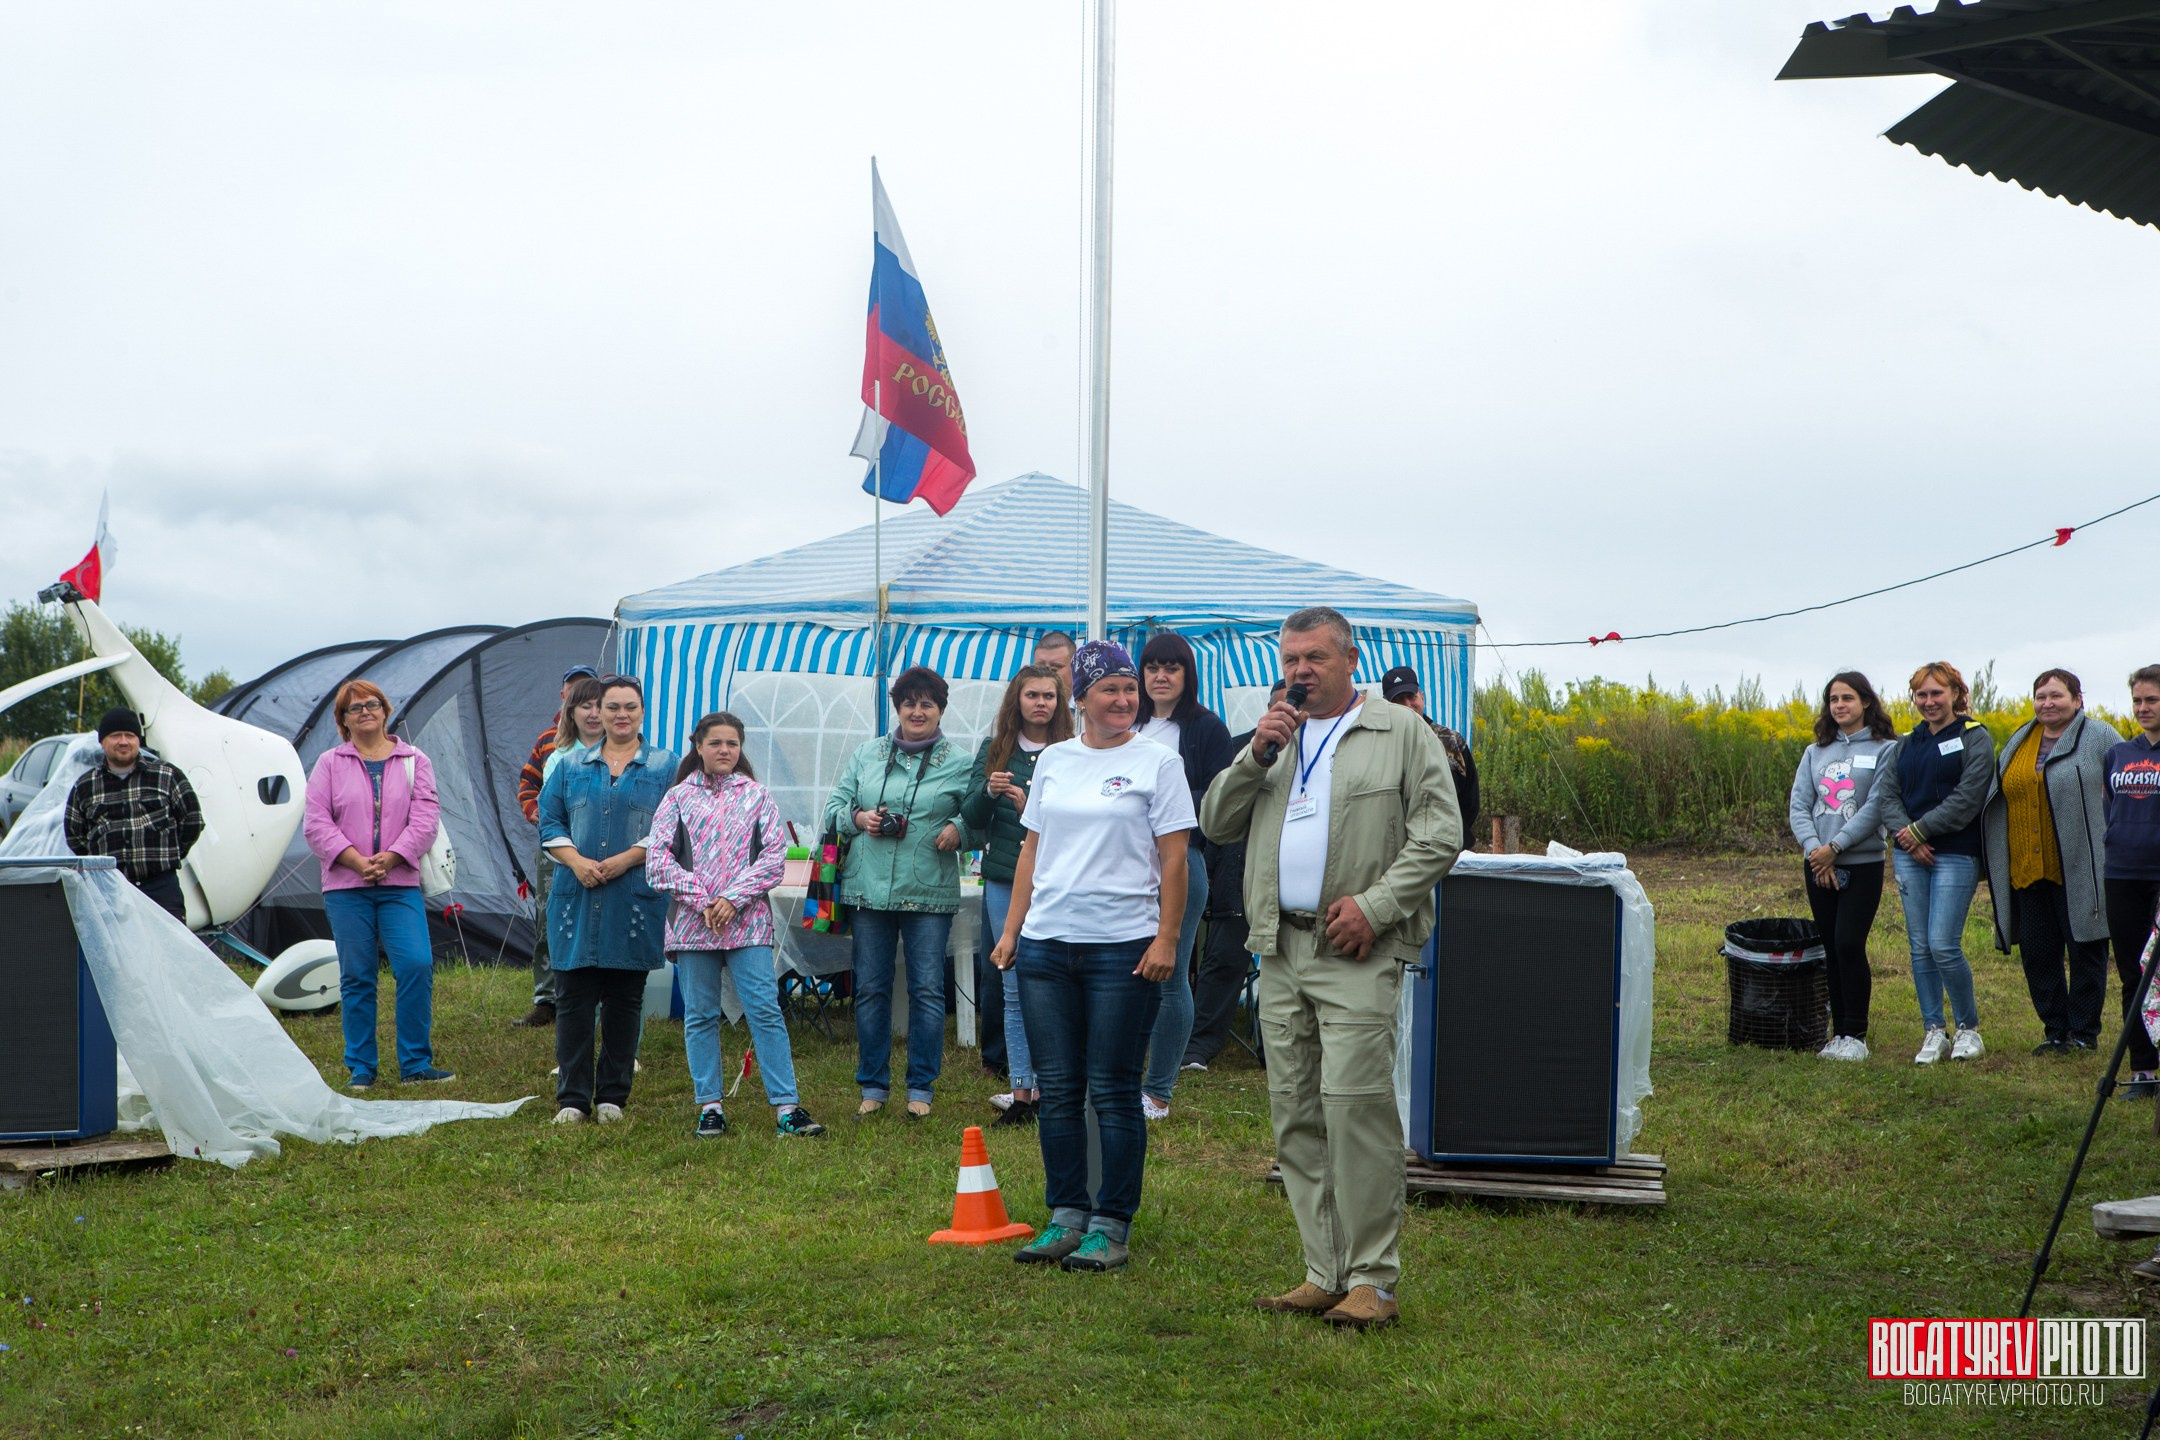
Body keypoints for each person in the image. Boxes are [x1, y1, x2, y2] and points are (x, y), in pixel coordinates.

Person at [1200, 606, 1463, 1330]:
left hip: (1356, 949)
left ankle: (1374, 1279)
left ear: (1352, 661)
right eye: (1290, 660)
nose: (1299, 673)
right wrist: (1255, 755)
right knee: (1296, 1116)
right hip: (1280, 949)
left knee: (1356, 1112)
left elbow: (1441, 834)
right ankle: (1325, 1272)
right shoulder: (1272, 738)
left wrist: (1377, 907)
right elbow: (1215, 823)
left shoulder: (1401, 732)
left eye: (1314, 658)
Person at [990, 640, 1192, 1274]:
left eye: (1130, 689)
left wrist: (1166, 937)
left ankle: (1111, 1224)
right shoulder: (1054, 759)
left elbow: (1175, 858)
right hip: (1048, 946)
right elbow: (1031, 850)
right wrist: (1012, 931)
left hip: (1123, 949)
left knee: (1111, 1089)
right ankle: (1065, 1216)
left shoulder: (1158, 762)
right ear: (1080, 697)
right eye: (1110, 689)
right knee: (1057, 1089)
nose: (1125, 699)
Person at [646, 712, 824, 1138]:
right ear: (698, 747)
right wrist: (705, 899)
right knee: (701, 1015)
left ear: (740, 749)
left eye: (732, 743)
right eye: (715, 743)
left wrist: (732, 898)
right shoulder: (676, 799)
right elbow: (657, 862)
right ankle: (710, 1106)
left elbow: (774, 858)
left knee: (764, 1011)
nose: (724, 750)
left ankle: (787, 1108)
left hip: (748, 924)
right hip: (693, 925)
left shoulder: (758, 796)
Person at [825, 666, 975, 1119]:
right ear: (897, 708)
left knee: (928, 990)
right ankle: (873, 1089)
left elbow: (982, 818)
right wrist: (859, 819)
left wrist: (960, 827)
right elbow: (834, 808)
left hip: (929, 892)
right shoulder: (867, 754)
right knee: (870, 990)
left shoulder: (962, 762)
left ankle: (921, 1092)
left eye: (927, 703)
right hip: (867, 890)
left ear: (941, 709)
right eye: (909, 702)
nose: (917, 710)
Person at [299, 681, 452, 1089]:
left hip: (399, 882)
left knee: (416, 964)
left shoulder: (415, 760)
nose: (365, 712)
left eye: (372, 704)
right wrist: (356, 859)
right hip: (346, 886)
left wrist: (393, 857)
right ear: (343, 721)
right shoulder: (329, 764)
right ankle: (361, 1067)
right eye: (354, 708)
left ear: (386, 711)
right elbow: (315, 823)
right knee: (358, 975)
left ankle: (416, 1064)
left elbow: (425, 817)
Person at [537, 675, 674, 1123]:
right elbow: (549, 823)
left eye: (629, 707)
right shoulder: (570, 765)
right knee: (574, 998)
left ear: (641, 712)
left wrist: (627, 860)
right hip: (575, 894)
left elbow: (673, 827)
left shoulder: (665, 766)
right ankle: (572, 1099)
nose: (619, 715)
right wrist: (576, 862)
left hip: (632, 896)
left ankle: (613, 1095)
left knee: (624, 999)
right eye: (611, 707)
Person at [961, 664, 1074, 1126]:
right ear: (1017, 701)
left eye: (1049, 695)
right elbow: (968, 815)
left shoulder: (1072, 750)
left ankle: (1051, 1087)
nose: (1041, 703)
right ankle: (1021, 1092)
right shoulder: (996, 749)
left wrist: (1034, 811)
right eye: (1032, 695)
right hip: (1006, 878)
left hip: (1058, 879)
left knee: (1050, 985)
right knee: (1010, 984)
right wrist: (988, 792)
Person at [1984, 668, 2117, 1056]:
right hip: (2028, 867)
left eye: (2057, 696)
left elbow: (2124, 785)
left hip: (2080, 867)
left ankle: (2083, 1033)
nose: (2047, 703)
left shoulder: (2100, 736)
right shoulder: (2020, 740)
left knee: (2086, 950)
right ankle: (2055, 1030)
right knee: (2039, 954)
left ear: (2078, 699)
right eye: (2041, 696)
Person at [1133, 630, 1234, 1120]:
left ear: (1187, 674)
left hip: (1181, 860)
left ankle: (1158, 1092)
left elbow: (1218, 803)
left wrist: (1159, 814)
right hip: (1125, 863)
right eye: (1152, 666)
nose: (1160, 675)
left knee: (1170, 972)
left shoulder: (1206, 728)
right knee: (1124, 970)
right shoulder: (1124, 723)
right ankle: (1125, 1078)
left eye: (1171, 667)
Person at [1876, 662, 1996, 1065]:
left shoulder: (1974, 737)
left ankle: (1968, 1028)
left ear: (1956, 694)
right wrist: (1908, 839)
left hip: (1956, 853)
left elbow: (1968, 797)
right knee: (1920, 948)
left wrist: (1921, 831)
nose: (1928, 702)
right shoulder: (1906, 743)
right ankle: (1934, 1030)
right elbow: (1887, 796)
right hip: (1912, 855)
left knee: (1943, 944)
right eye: (1921, 695)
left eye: (1936, 693)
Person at [1785, 672, 1897, 1061]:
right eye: (1833, 699)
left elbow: (1877, 806)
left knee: (1850, 943)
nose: (1839, 706)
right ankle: (1838, 1034)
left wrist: (1837, 846)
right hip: (1817, 865)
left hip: (1862, 862)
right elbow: (1799, 806)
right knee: (1832, 947)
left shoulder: (1886, 749)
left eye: (1847, 698)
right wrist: (1817, 850)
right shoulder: (1815, 751)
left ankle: (1857, 1035)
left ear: (1866, 701)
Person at [1183, 681, 1284, 1071]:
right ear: (1268, 709)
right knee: (1224, 962)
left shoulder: (1325, 753)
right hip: (1237, 875)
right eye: (1280, 705)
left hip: (1294, 887)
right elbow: (1215, 813)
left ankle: (1278, 1048)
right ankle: (1198, 1048)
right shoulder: (1242, 748)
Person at [512, 663, 601, 1029]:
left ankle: (592, 998)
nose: (591, 710)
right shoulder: (551, 742)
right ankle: (547, 999)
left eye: (596, 699)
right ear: (565, 698)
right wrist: (539, 816)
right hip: (556, 848)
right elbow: (527, 785)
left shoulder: (619, 744)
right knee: (550, 922)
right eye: (577, 694)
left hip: (602, 849)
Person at [63, 706, 204, 921]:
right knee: (116, 953)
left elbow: (192, 821)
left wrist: (171, 854)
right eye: (115, 736)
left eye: (129, 735)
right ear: (102, 742)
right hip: (109, 889)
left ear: (138, 740)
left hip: (161, 889)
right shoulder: (85, 786)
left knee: (167, 952)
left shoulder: (167, 776)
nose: (123, 741)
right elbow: (75, 835)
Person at [2103, 666, 2160, 1099]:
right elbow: (2111, 809)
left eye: (2152, 700)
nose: (2143, 708)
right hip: (2122, 872)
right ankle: (2143, 1069)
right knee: (2132, 974)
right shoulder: (2119, 754)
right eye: (2138, 700)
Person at [1381, 665, 1481, 837]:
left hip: (1445, 845)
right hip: (1398, 848)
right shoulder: (1380, 745)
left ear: (1422, 696)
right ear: (1386, 704)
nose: (1407, 705)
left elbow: (1470, 802)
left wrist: (1452, 837)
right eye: (1398, 700)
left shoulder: (1451, 741)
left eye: (1411, 696)